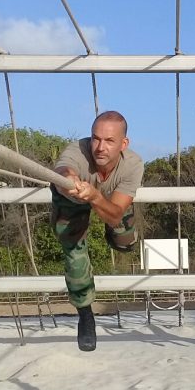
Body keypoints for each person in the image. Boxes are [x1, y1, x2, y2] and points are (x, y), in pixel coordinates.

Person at [51, 111, 143, 351]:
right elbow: (64, 171)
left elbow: (114, 216)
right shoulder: (77, 150)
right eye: (96, 138)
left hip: (107, 201)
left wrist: (95, 196)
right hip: (71, 199)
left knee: (124, 242)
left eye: (109, 141)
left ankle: (119, 225)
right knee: (74, 254)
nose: (100, 147)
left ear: (124, 144)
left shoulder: (133, 164)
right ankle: (85, 313)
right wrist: (69, 182)